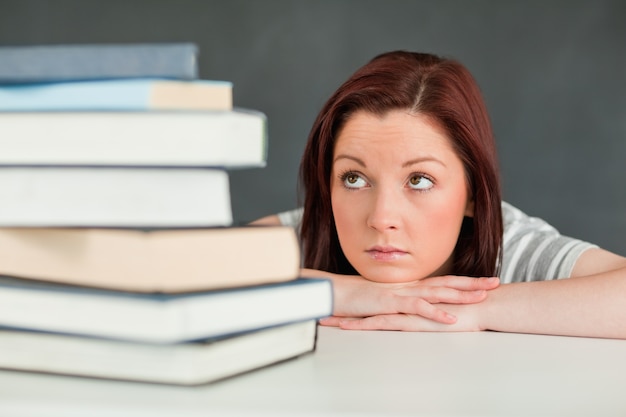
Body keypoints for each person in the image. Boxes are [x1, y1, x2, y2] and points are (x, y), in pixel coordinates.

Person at [252, 51, 626, 339]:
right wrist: (344, 293)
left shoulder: (509, 247)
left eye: (419, 180)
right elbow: (198, 266)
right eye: (354, 178)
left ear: (473, 196)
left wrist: (473, 309)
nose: (382, 218)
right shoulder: (309, 230)